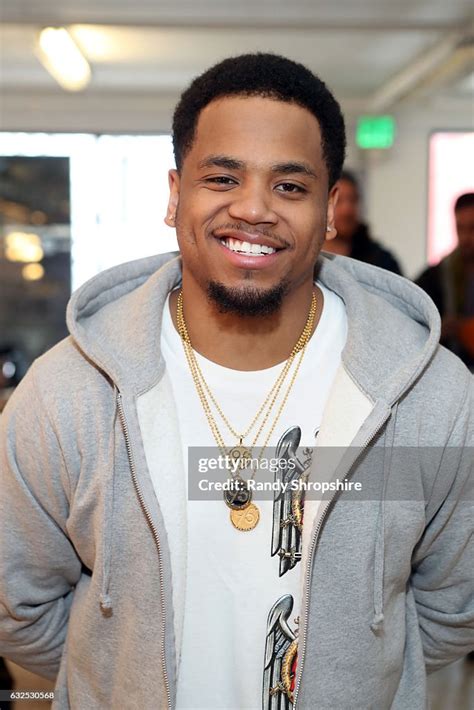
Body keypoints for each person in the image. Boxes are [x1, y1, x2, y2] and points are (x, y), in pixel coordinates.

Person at [0, 53, 472, 710]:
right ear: (174, 194)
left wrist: (354, 678)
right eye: (222, 177)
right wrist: (120, 676)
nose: (253, 210)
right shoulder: (66, 396)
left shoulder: (430, 398)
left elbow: (452, 611)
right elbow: (18, 609)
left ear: (331, 211)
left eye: (290, 186)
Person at [416, 192, 474, 370]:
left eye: (472, 229)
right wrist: (440, 328)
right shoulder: (437, 275)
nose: (465, 237)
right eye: (460, 228)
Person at [324, 169, 403, 274]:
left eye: (353, 200)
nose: (347, 210)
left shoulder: (381, 261)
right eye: (338, 201)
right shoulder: (307, 257)